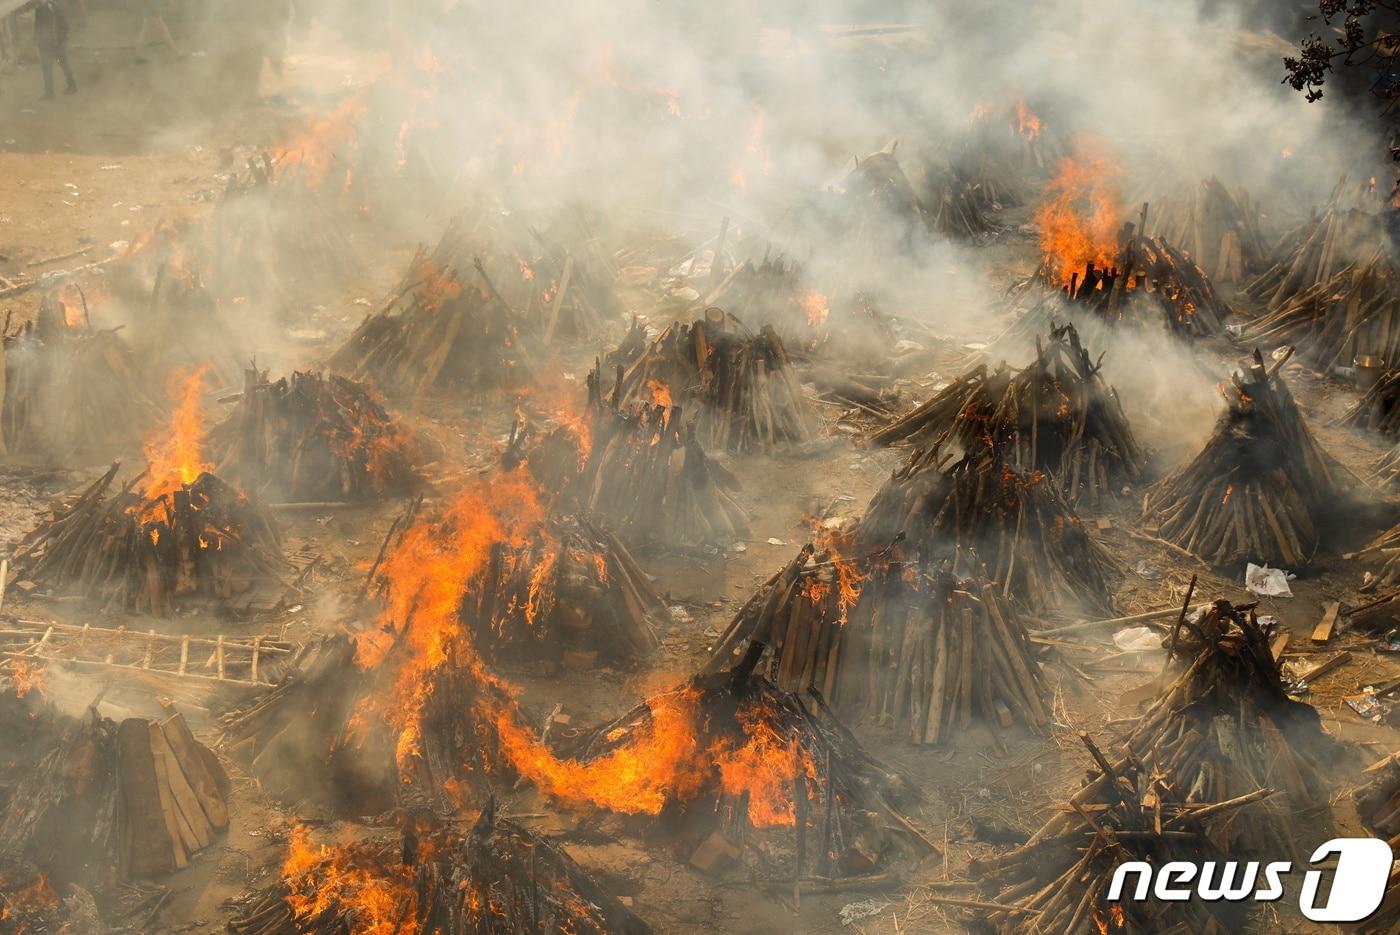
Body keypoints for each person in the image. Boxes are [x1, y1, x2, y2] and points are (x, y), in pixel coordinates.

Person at [31, 0, 76, 100]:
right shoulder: (41, 8)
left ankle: (71, 86)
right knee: (48, 68)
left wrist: (61, 40)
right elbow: (38, 27)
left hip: (54, 43)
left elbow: (62, 25)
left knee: (61, 64)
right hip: (46, 43)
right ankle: (49, 92)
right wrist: (36, 41)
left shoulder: (50, 8)